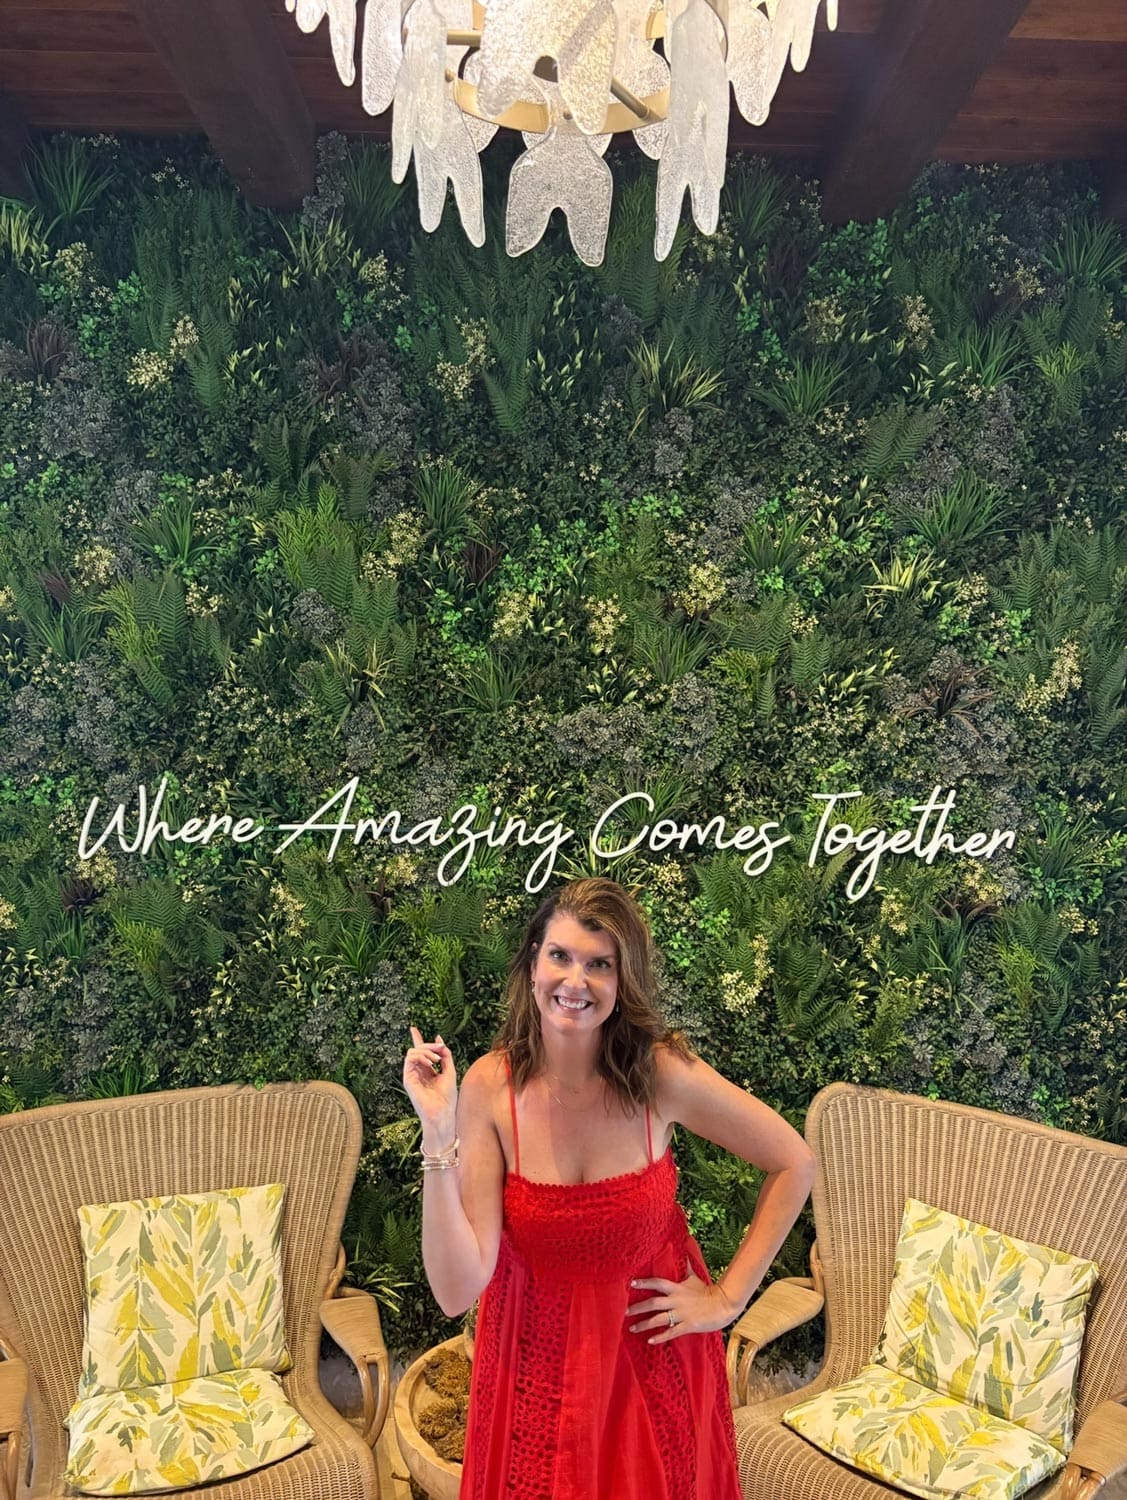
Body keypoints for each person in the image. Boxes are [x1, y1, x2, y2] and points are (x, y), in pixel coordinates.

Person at [402, 876, 815, 1499]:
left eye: (601, 965)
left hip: (652, 1365)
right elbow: (458, 1289)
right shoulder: (491, 1087)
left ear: (624, 983)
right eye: (560, 956)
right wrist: (437, 1134)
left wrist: (728, 1298)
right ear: (532, 963)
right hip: (533, 1366)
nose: (575, 982)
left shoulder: (660, 1074)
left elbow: (793, 1161)